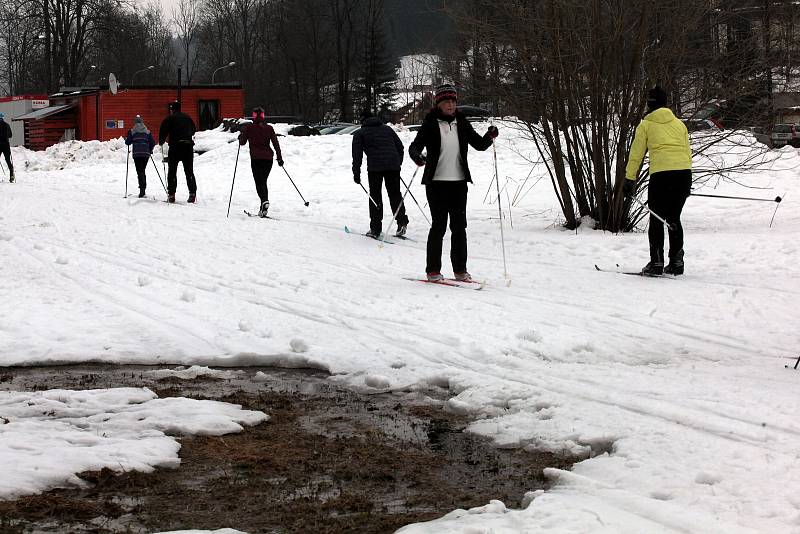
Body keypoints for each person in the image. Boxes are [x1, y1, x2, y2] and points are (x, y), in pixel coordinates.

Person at [408, 84, 498, 282]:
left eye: (453, 101)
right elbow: (414, 146)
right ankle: (433, 270)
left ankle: (460, 270)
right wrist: (417, 157)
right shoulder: (430, 123)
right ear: (439, 104)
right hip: (436, 184)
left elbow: (479, 145)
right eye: (446, 101)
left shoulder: (462, 122)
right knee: (438, 226)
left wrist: (489, 135)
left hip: (458, 184)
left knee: (459, 228)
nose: (450, 105)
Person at [623, 85, 693, 276]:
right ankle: (677, 262)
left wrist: (629, 179)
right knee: (673, 218)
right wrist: (688, 181)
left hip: (662, 176)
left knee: (657, 218)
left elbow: (636, 154)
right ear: (666, 103)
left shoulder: (646, 124)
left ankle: (656, 263)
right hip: (683, 175)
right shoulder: (679, 125)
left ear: (649, 104)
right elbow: (688, 152)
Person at [352, 109, 407, 238]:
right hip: (393, 166)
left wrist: (356, 173)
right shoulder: (388, 129)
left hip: (375, 168)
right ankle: (402, 222)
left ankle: (376, 229)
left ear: (362, 120)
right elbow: (400, 147)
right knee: (395, 194)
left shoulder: (360, 133)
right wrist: (397, 163)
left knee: (375, 196)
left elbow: (357, 155)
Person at [238, 106, 283, 217]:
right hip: (268, 159)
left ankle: (264, 201)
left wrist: (240, 137)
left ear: (253, 115)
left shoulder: (249, 128)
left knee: (259, 182)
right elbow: (275, 143)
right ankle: (263, 207)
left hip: (256, 159)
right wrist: (279, 157)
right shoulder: (269, 128)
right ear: (263, 115)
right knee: (263, 181)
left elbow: (242, 143)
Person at [158, 101, 197, 203]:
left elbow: (163, 130)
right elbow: (193, 130)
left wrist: (161, 141)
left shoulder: (170, 118)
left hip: (175, 147)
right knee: (189, 171)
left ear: (172, 109)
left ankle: (171, 195)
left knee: (172, 171)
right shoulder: (188, 118)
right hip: (188, 146)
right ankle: (192, 194)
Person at [125, 115, 156, 198]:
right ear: (142, 122)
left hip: (137, 154)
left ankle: (142, 189)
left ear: (135, 122)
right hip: (146, 154)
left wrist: (128, 135)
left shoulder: (132, 131)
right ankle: (143, 188)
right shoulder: (147, 132)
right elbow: (153, 142)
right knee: (142, 170)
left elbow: (127, 142)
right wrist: (150, 150)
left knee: (140, 171)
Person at [0, 112, 13, 183]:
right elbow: (10, 135)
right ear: (3, 117)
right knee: (8, 160)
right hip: (6, 145)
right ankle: (11, 174)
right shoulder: (7, 125)